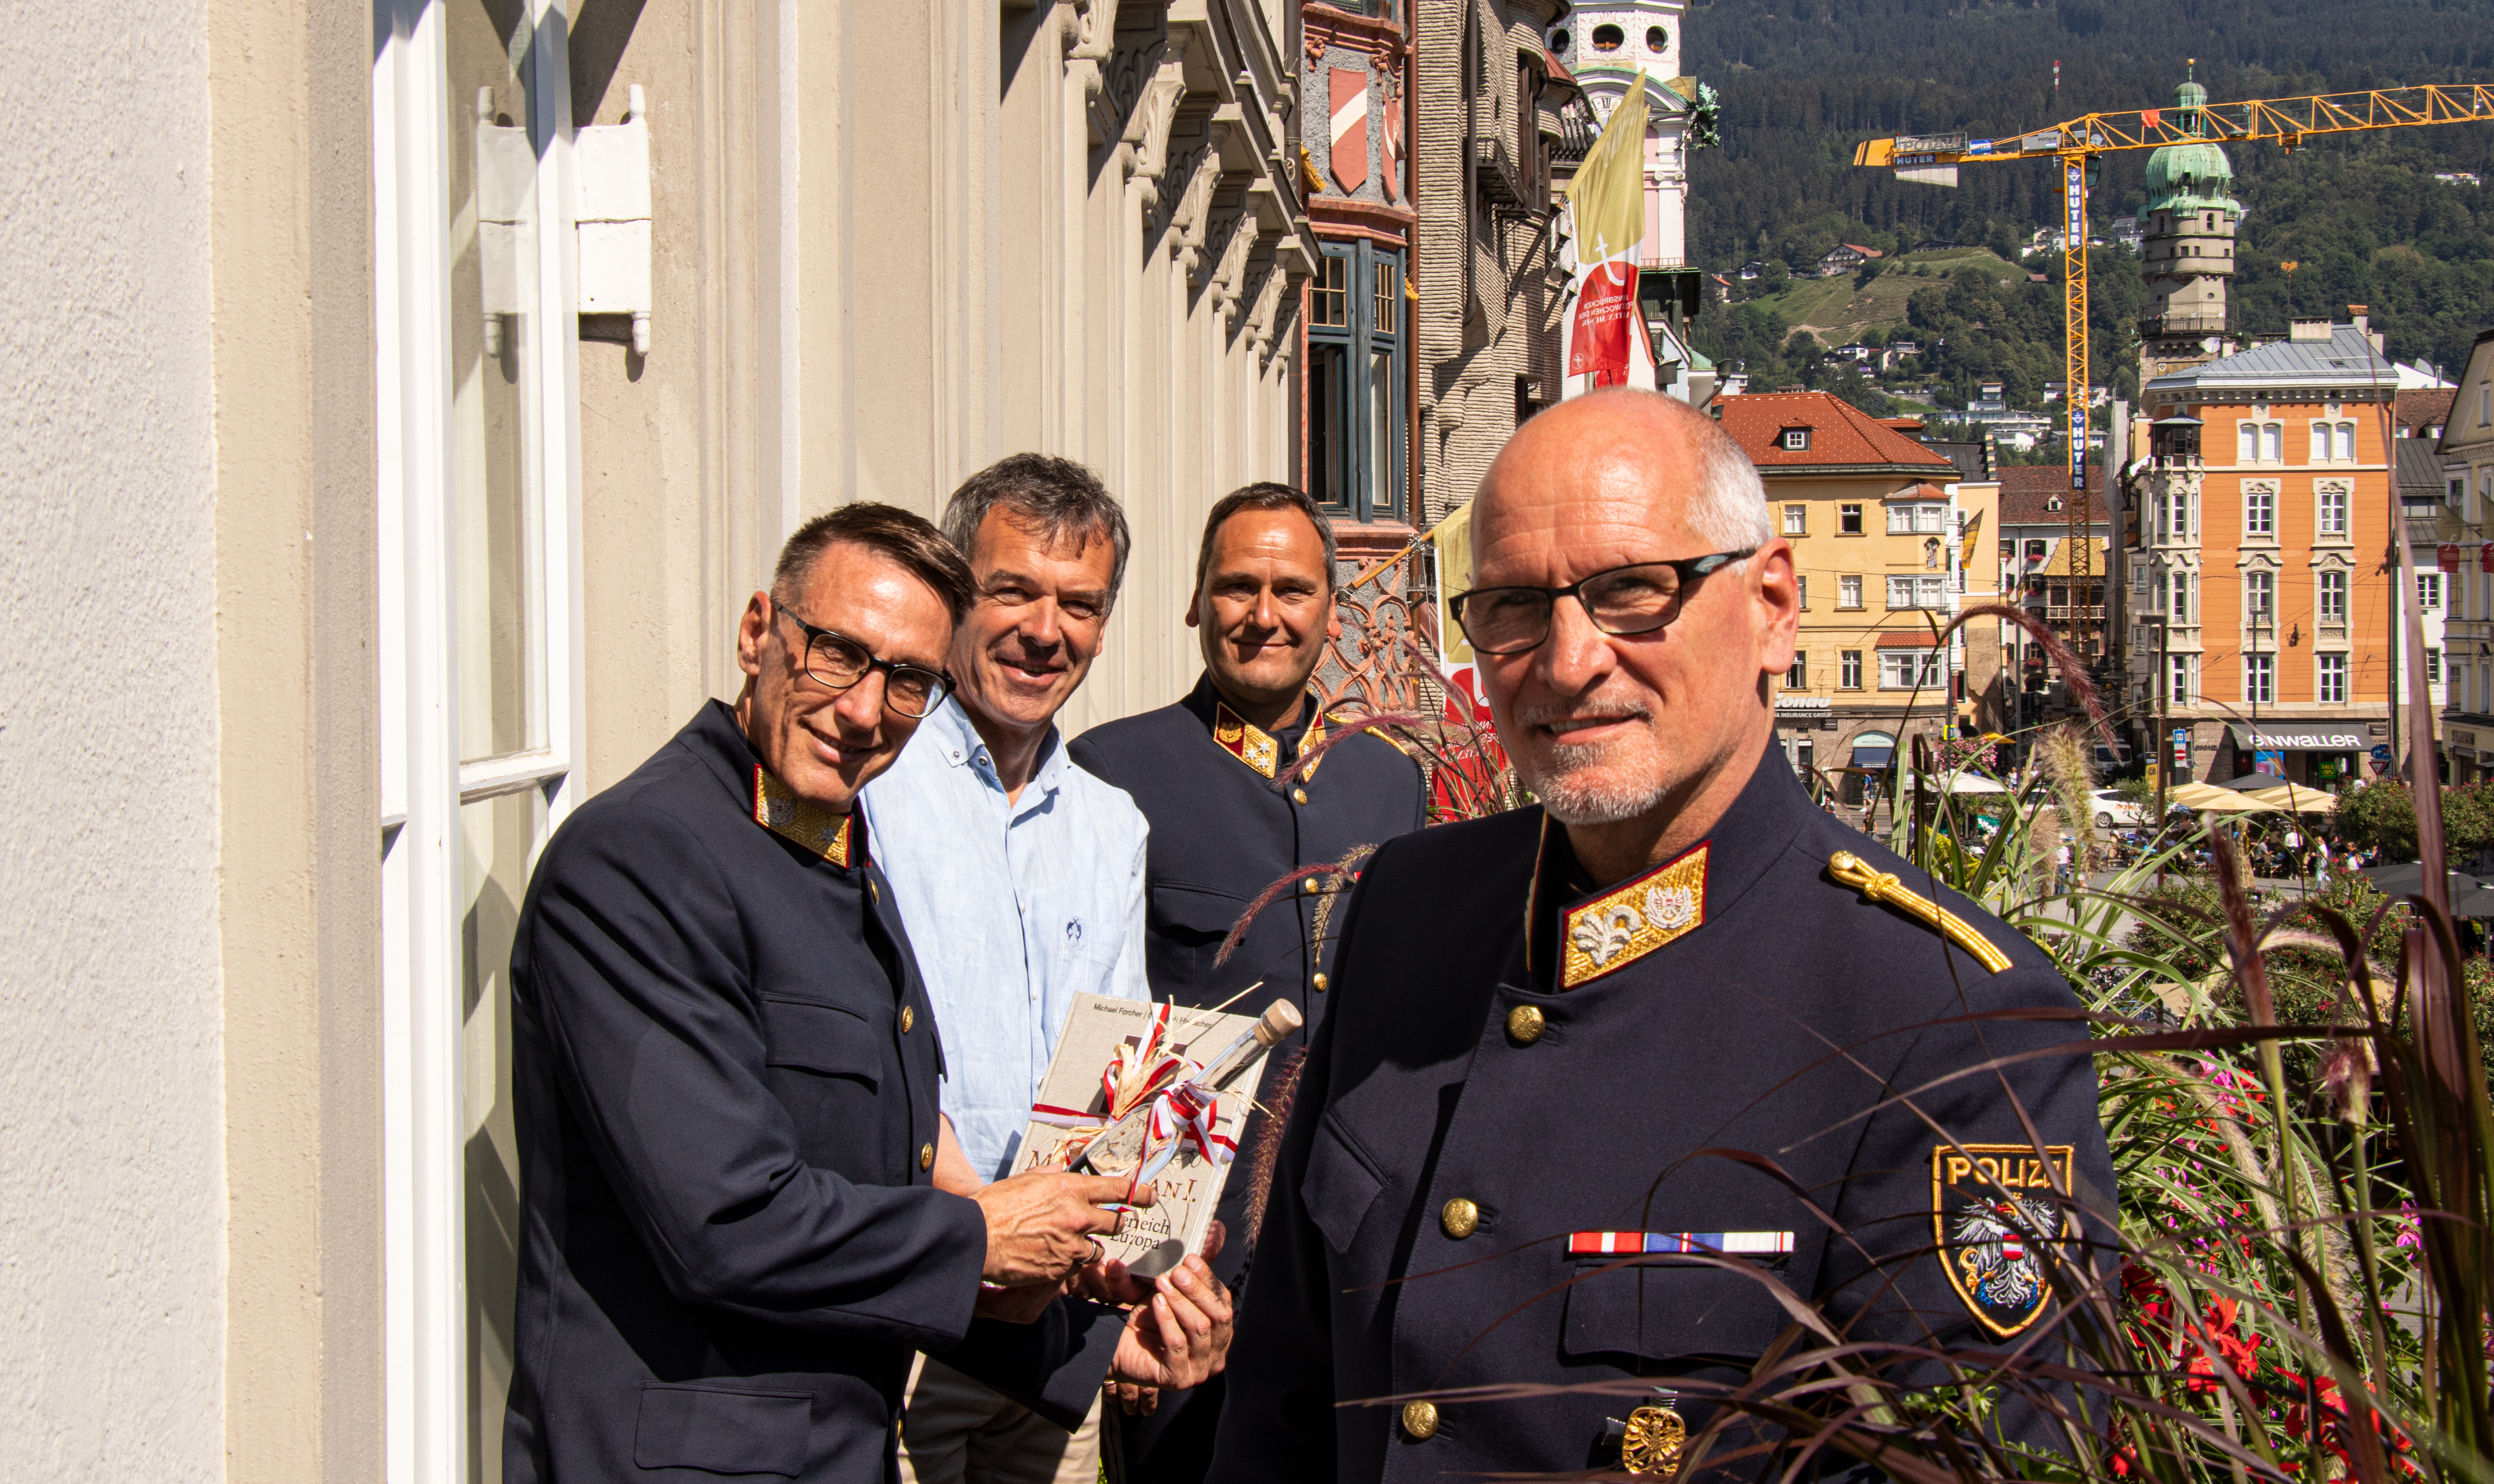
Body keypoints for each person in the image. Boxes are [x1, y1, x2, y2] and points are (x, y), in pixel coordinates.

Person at [1207, 392, 2116, 1483]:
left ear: (1772, 604)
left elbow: (1986, 1458)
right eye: (1511, 606)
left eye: (1634, 591)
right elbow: (1284, 1401)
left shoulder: (1946, 1017)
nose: (1570, 657)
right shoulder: (1410, 911)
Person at [505, 503, 1231, 1484]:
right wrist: (986, 1231)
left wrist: (1093, 1349)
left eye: (906, 681)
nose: (862, 708)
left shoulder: (829, 850)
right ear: (759, 631)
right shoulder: (642, 856)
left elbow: (871, 1216)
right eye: (838, 652)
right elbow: (728, 1225)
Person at [1071, 482, 1427, 1482]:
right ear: (1195, 602)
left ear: (1331, 609)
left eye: (1291, 589)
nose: (1262, 614)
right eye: (1237, 586)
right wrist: (1128, 1274)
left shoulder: (1390, 779)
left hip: (1349, 1256)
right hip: (1188, 1268)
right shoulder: (1112, 773)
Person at [864, 457, 1154, 1484]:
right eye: (1014, 590)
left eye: (1079, 603)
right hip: (905, 1325)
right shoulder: (874, 783)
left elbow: (1117, 1076)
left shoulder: (1111, 825)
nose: (1047, 629)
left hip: (1054, 1335)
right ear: (955, 599)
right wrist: (981, 1240)